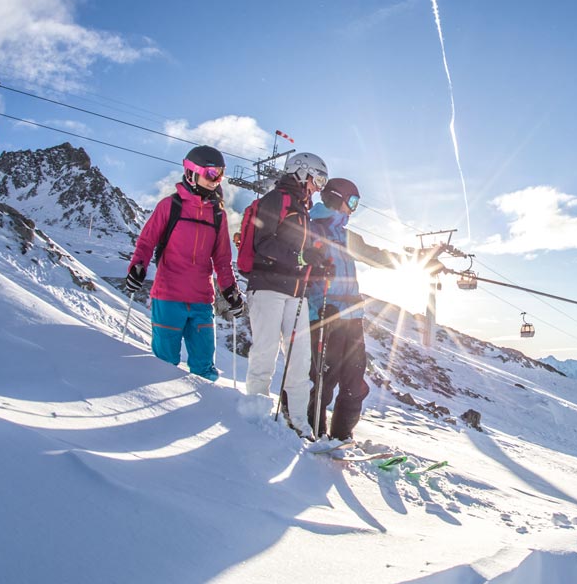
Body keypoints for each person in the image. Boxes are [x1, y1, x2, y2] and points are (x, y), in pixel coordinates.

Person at [304, 178, 441, 441]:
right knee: (324, 380)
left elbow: (376, 256)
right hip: (323, 314)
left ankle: (342, 436)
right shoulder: (311, 229)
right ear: (336, 198)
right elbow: (298, 263)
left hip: (352, 317)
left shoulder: (347, 236)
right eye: (352, 201)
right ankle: (314, 433)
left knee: (355, 383)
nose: (353, 209)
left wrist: (421, 262)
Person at [122, 145, 243, 381]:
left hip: (201, 300)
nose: (216, 180)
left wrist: (230, 290)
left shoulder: (218, 214)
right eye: (211, 173)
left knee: (204, 367)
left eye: (220, 174)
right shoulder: (171, 206)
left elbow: (222, 260)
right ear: (191, 172)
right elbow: (146, 242)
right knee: (163, 365)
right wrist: (137, 267)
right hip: (168, 297)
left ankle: (204, 412)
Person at [238, 151, 331, 436]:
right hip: (267, 287)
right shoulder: (275, 199)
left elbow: (300, 255)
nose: (318, 187)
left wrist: (317, 265)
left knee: (300, 359)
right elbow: (263, 243)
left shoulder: (303, 210)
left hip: (295, 291)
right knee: (265, 350)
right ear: (301, 172)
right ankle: (256, 414)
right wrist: (301, 258)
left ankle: (300, 423)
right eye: (317, 179)